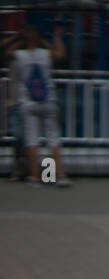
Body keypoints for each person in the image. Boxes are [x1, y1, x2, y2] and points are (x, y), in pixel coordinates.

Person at [10, 23, 69, 186]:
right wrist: (53, 39)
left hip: (28, 102)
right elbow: (61, 54)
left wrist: (18, 38)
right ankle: (60, 175)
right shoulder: (45, 54)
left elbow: (6, 50)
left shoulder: (20, 55)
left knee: (32, 139)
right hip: (47, 99)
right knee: (53, 138)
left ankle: (35, 177)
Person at [2, 26, 26, 181]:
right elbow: (6, 49)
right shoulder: (15, 55)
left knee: (28, 138)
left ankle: (28, 169)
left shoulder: (38, 53)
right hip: (16, 101)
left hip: (31, 101)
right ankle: (17, 168)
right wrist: (19, 37)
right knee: (18, 137)